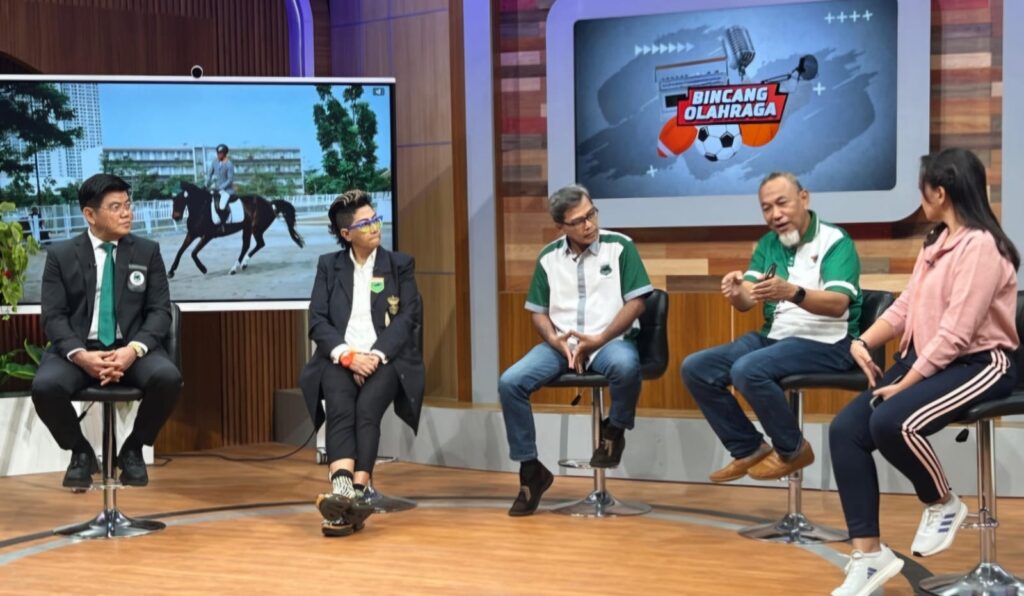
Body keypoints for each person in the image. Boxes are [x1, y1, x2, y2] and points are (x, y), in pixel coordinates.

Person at [828, 148, 1019, 596]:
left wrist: (906, 383)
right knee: (845, 431)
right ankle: (869, 556)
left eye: (923, 190)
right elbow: (906, 306)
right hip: (928, 360)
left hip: (981, 362)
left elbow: (957, 333)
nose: (921, 199)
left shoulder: (982, 246)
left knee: (891, 421)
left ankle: (943, 501)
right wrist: (863, 341)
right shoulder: (935, 242)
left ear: (941, 191)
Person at [681, 172, 862, 483]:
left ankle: (793, 449)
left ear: (804, 198)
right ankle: (749, 448)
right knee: (697, 367)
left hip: (829, 340)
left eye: (782, 203)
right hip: (776, 337)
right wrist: (736, 291)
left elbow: (838, 304)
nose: (775, 214)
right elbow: (748, 298)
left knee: (748, 369)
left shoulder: (835, 240)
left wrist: (792, 292)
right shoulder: (768, 243)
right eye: (766, 208)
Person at [498, 184, 653, 516]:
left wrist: (599, 338)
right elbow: (538, 312)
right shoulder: (548, 258)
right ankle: (530, 470)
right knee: (510, 382)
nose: (589, 224)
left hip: (609, 341)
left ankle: (614, 431)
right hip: (561, 346)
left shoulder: (620, 247)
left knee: (626, 367)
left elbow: (637, 302)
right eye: (579, 221)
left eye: (591, 214)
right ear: (560, 227)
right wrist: (554, 339)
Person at [31, 173, 181, 488]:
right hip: (79, 350)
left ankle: (133, 448)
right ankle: (80, 451)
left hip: (131, 348)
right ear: (90, 214)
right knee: (45, 386)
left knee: (168, 378)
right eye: (116, 207)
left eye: (128, 205)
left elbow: (159, 312)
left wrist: (132, 351)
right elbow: (54, 316)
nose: (127, 213)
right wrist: (80, 355)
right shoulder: (61, 256)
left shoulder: (147, 251)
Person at [298, 190, 424, 537]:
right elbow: (317, 320)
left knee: (366, 409)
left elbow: (408, 317)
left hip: (387, 358)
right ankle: (343, 492)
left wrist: (375, 356)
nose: (375, 227)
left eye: (376, 219)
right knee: (340, 407)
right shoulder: (329, 265)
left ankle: (355, 492)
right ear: (346, 233)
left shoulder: (399, 265)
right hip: (341, 357)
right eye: (365, 223)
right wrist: (348, 356)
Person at [206, 143, 234, 232]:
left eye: (220, 153)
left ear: (225, 154)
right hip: (215, 188)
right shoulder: (214, 162)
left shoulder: (229, 164)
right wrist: (206, 184)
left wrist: (220, 187)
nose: (218, 155)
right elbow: (209, 174)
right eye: (218, 153)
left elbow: (230, 180)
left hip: (226, 190)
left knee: (221, 206)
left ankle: (223, 224)